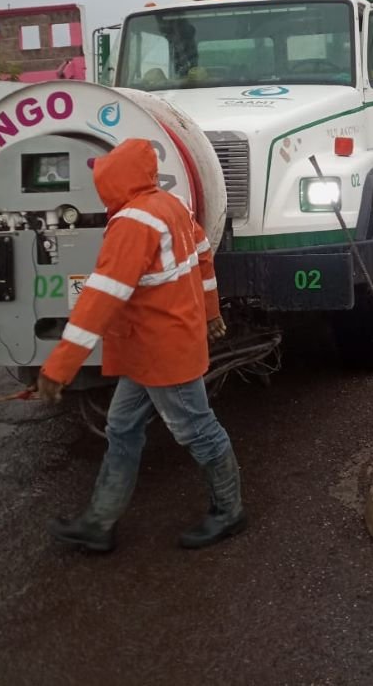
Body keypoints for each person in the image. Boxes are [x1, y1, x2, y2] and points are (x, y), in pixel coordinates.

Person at [37, 137, 246, 554]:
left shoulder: (133, 222)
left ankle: (230, 511)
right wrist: (210, 313)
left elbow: (100, 298)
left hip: (161, 353)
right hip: (154, 349)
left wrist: (59, 368)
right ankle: (99, 523)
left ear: (116, 178)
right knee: (122, 426)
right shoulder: (171, 206)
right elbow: (203, 257)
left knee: (197, 429)